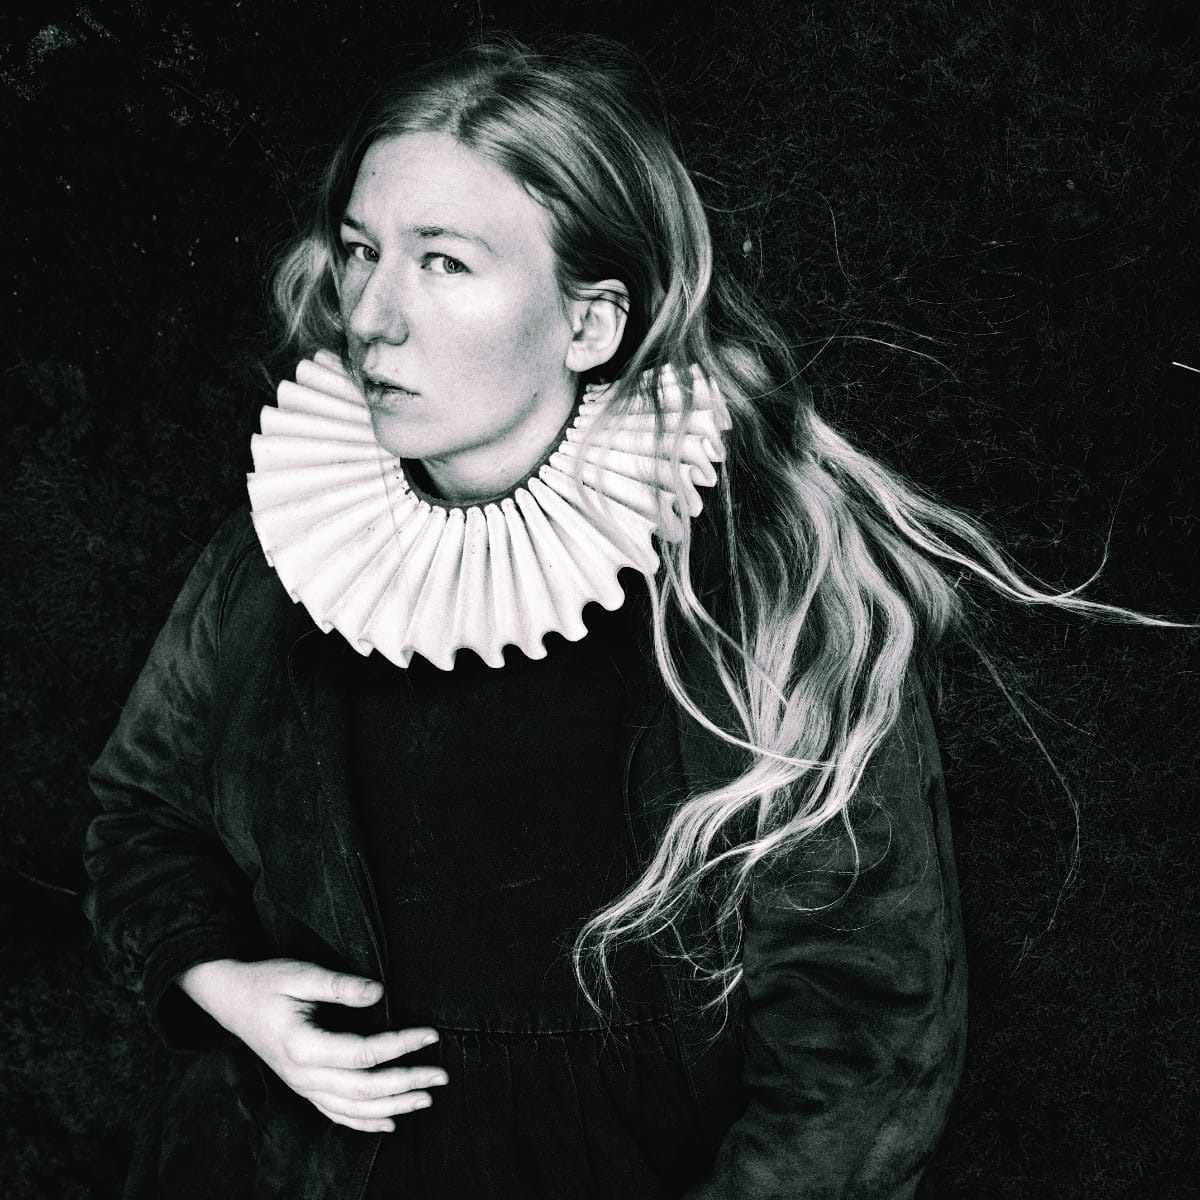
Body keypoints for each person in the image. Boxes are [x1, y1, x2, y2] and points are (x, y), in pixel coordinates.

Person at [83, 34, 1157, 1200]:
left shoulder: (758, 587)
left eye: (444, 263)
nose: (373, 316)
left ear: (589, 324)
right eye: (360, 250)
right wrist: (214, 981)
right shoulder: (283, 544)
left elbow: (861, 1040)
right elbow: (140, 815)